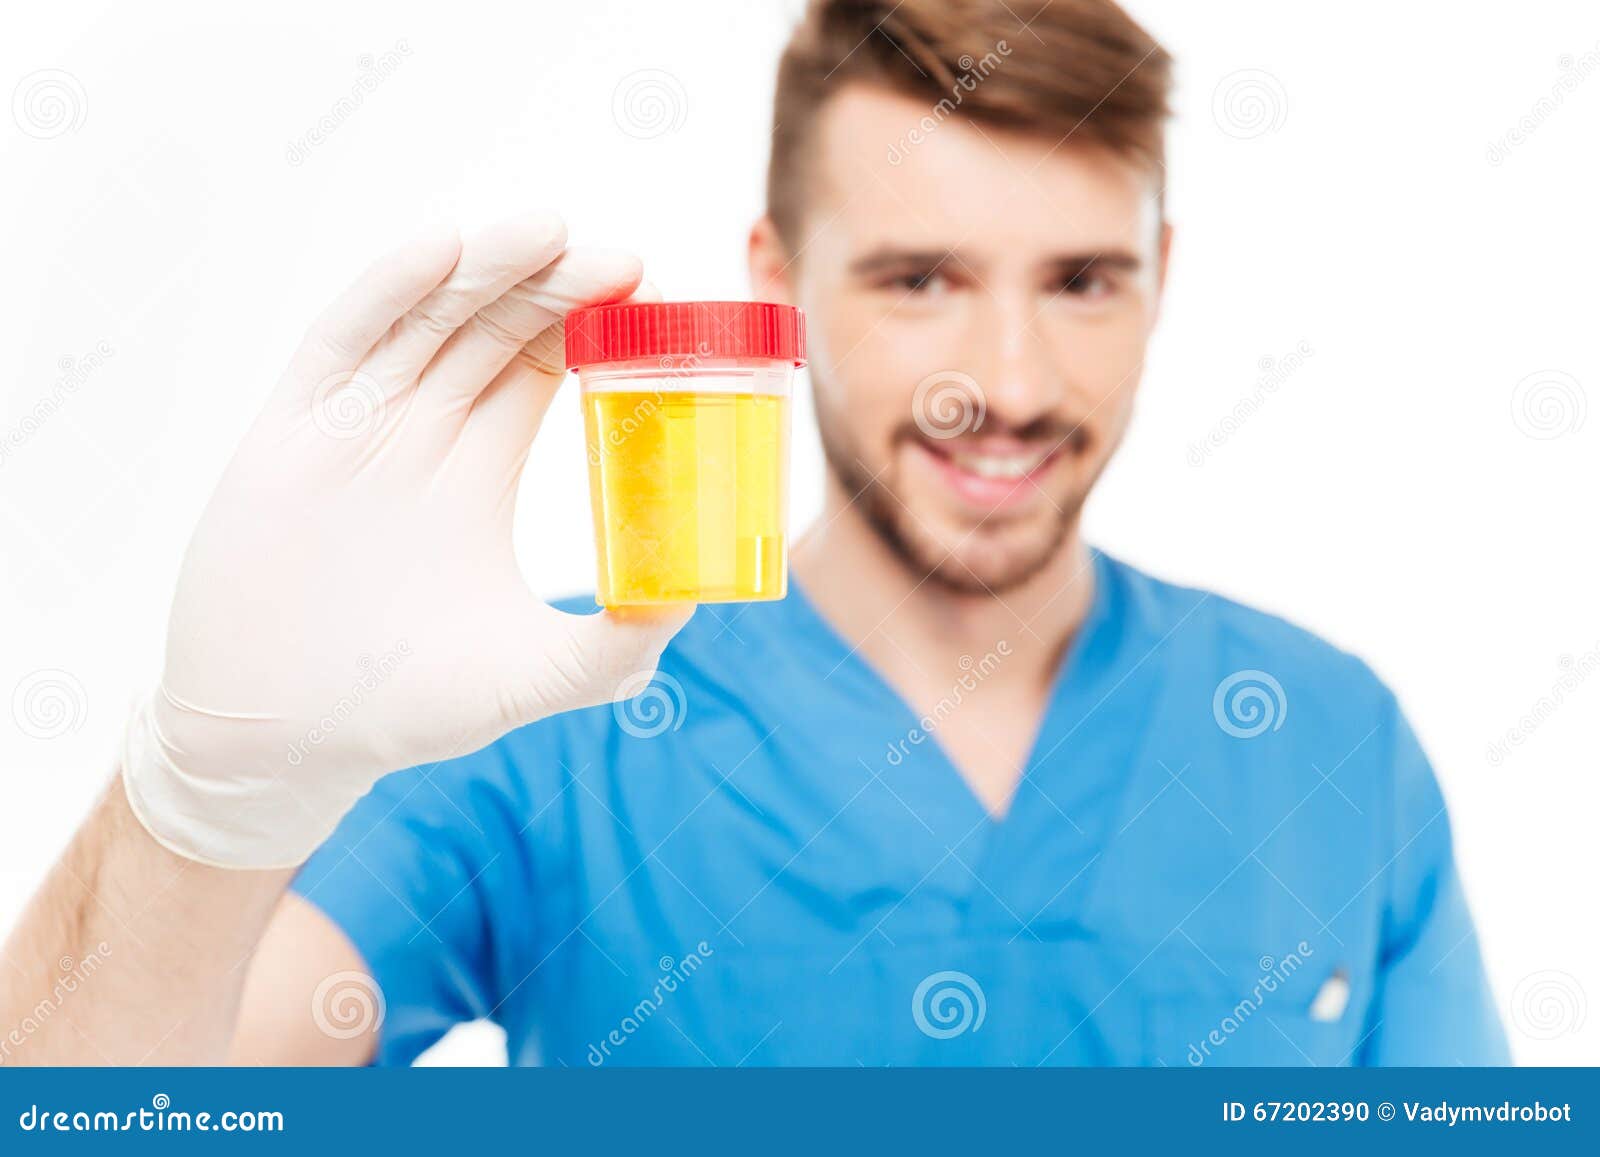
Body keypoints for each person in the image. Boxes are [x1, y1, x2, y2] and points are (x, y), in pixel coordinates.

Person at [0, 0, 1506, 1066]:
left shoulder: (1328, 740)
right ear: (776, 290)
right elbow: (126, 1119)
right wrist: (197, 809)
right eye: (919, 278)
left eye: (1081, 281)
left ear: (1162, 275)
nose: (1014, 382)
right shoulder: (559, 716)